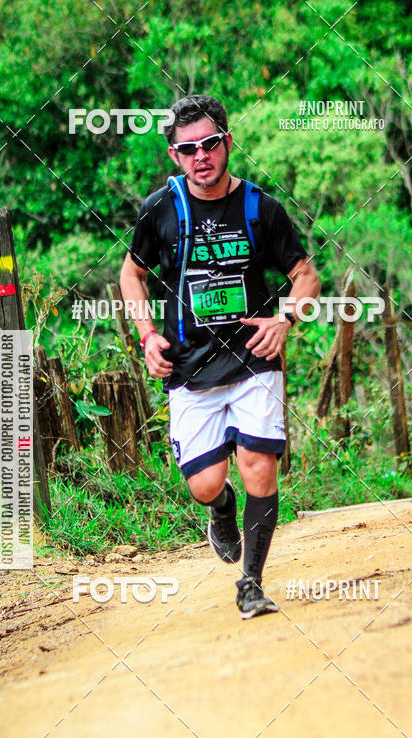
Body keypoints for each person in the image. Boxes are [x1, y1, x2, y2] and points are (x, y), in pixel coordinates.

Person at [120, 94, 320, 618]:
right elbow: (131, 273)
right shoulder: (161, 210)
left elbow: (305, 275)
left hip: (254, 357)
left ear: (227, 143)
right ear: (174, 156)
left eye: (210, 144)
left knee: (259, 468)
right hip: (190, 366)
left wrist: (285, 320)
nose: (201, 156)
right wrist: (146, 334)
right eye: (188, 150)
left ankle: (251, 582)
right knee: (206, 483)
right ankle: (222, 508)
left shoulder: (260, 207)